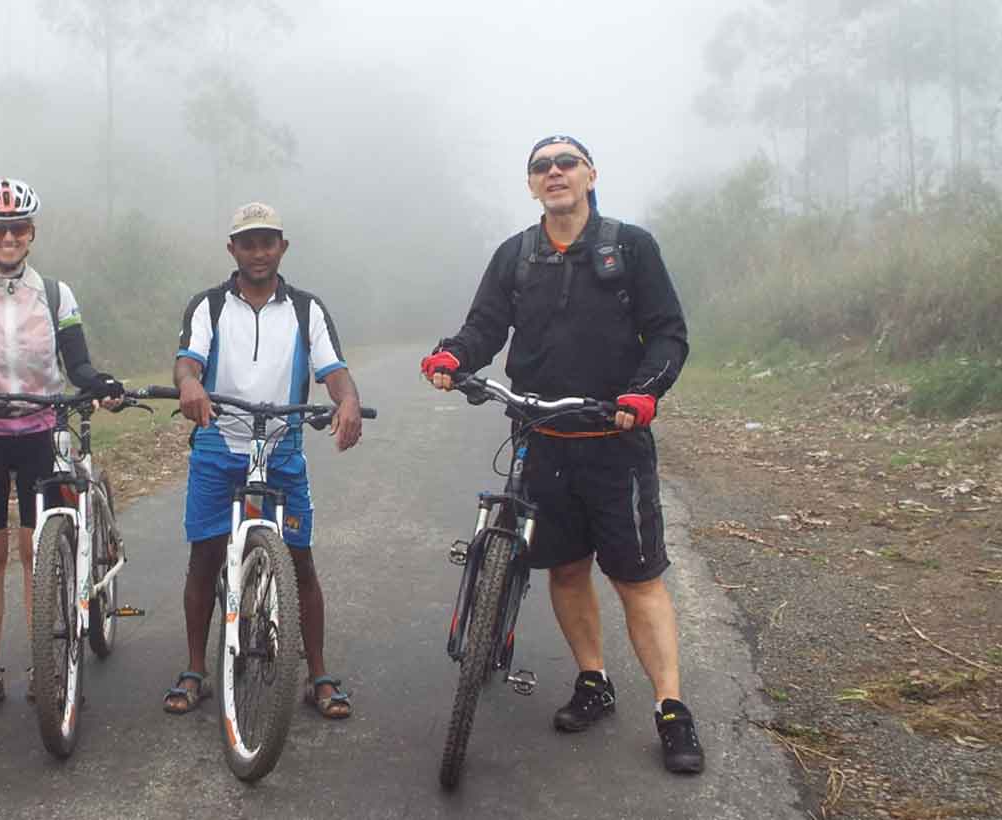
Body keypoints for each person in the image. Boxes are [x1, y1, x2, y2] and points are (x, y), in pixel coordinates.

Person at [420, 135, 703, 774]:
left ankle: (671, 708)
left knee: (637, 577)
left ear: (590, 174)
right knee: (567, 569)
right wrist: (453, 357)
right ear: (530, 185)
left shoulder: (631, 247)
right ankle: (593, 680)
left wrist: (643, 392)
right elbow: (484, 327)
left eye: (565, 163)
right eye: (541, 167)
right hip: (542, 438)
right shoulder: (516, 255)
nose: (554, 173)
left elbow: (667, 334)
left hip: (614, 439)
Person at [163, 202, 364, 720]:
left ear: (283, 247)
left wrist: (347, 400)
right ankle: (194, 670)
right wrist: (189, 385)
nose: (258, 252)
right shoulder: (208, 306)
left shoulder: (306, 309)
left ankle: (317, 674)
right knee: (205, 556)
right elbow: (189, 362)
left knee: (300, 561)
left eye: (267, 242)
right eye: (247, 243)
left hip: (282, 446)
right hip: (217, 441)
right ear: (232, 249)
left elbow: (333, 369)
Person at [0, 178, 123, 715]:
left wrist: (98, 381)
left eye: (18, 228)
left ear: (32, 233)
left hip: (41, 434)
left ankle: (47, 662)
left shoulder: (58, 295)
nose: (8, 237)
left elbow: (77, 362)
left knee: (34, 553)